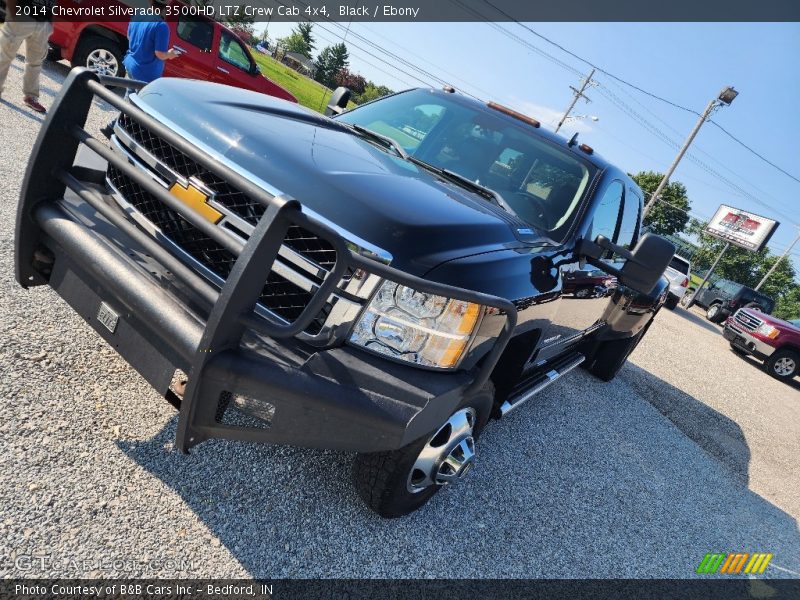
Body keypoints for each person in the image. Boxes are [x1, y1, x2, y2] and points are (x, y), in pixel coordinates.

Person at [101, 0, 180, 137]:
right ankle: (118, 133)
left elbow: (129, 37)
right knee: (139, 109)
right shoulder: (161, 26)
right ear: (166, 8)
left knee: (130, 102)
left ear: (151, 3)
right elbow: (160, 54)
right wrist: (171, 54)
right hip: (145, 74)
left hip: (131, 65)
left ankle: (113, 128)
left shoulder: (138, 15)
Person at [0, 0, 54, 113]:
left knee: (36, 62)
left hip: (43, 22)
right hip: (21, 15)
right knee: (5, 55)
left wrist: (49, 23)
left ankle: (31, 96)